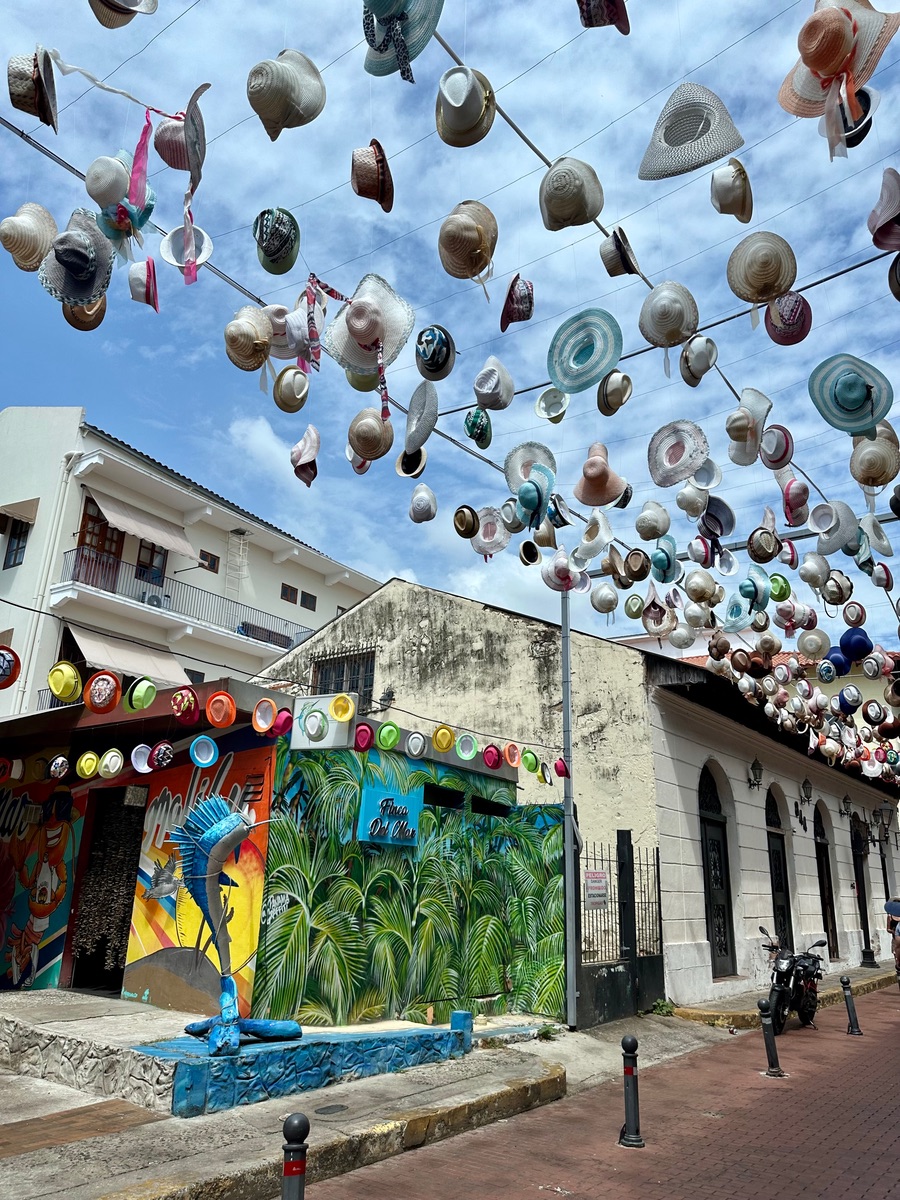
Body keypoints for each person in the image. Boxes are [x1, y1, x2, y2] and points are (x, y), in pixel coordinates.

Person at [887, 898, 900, 973]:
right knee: (896, 953)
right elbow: (888, 929)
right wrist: (893, 931)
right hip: (895, 938)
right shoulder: (890, 916)